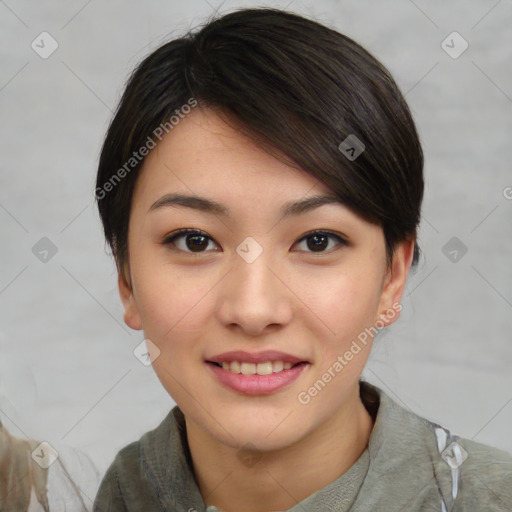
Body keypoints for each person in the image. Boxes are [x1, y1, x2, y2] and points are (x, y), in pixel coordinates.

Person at [92, 7, 512, 511]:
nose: (253, 309)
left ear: (392, 277)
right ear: (126, 277)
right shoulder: (86, 495)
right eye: (195, 241)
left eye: (317, 242)